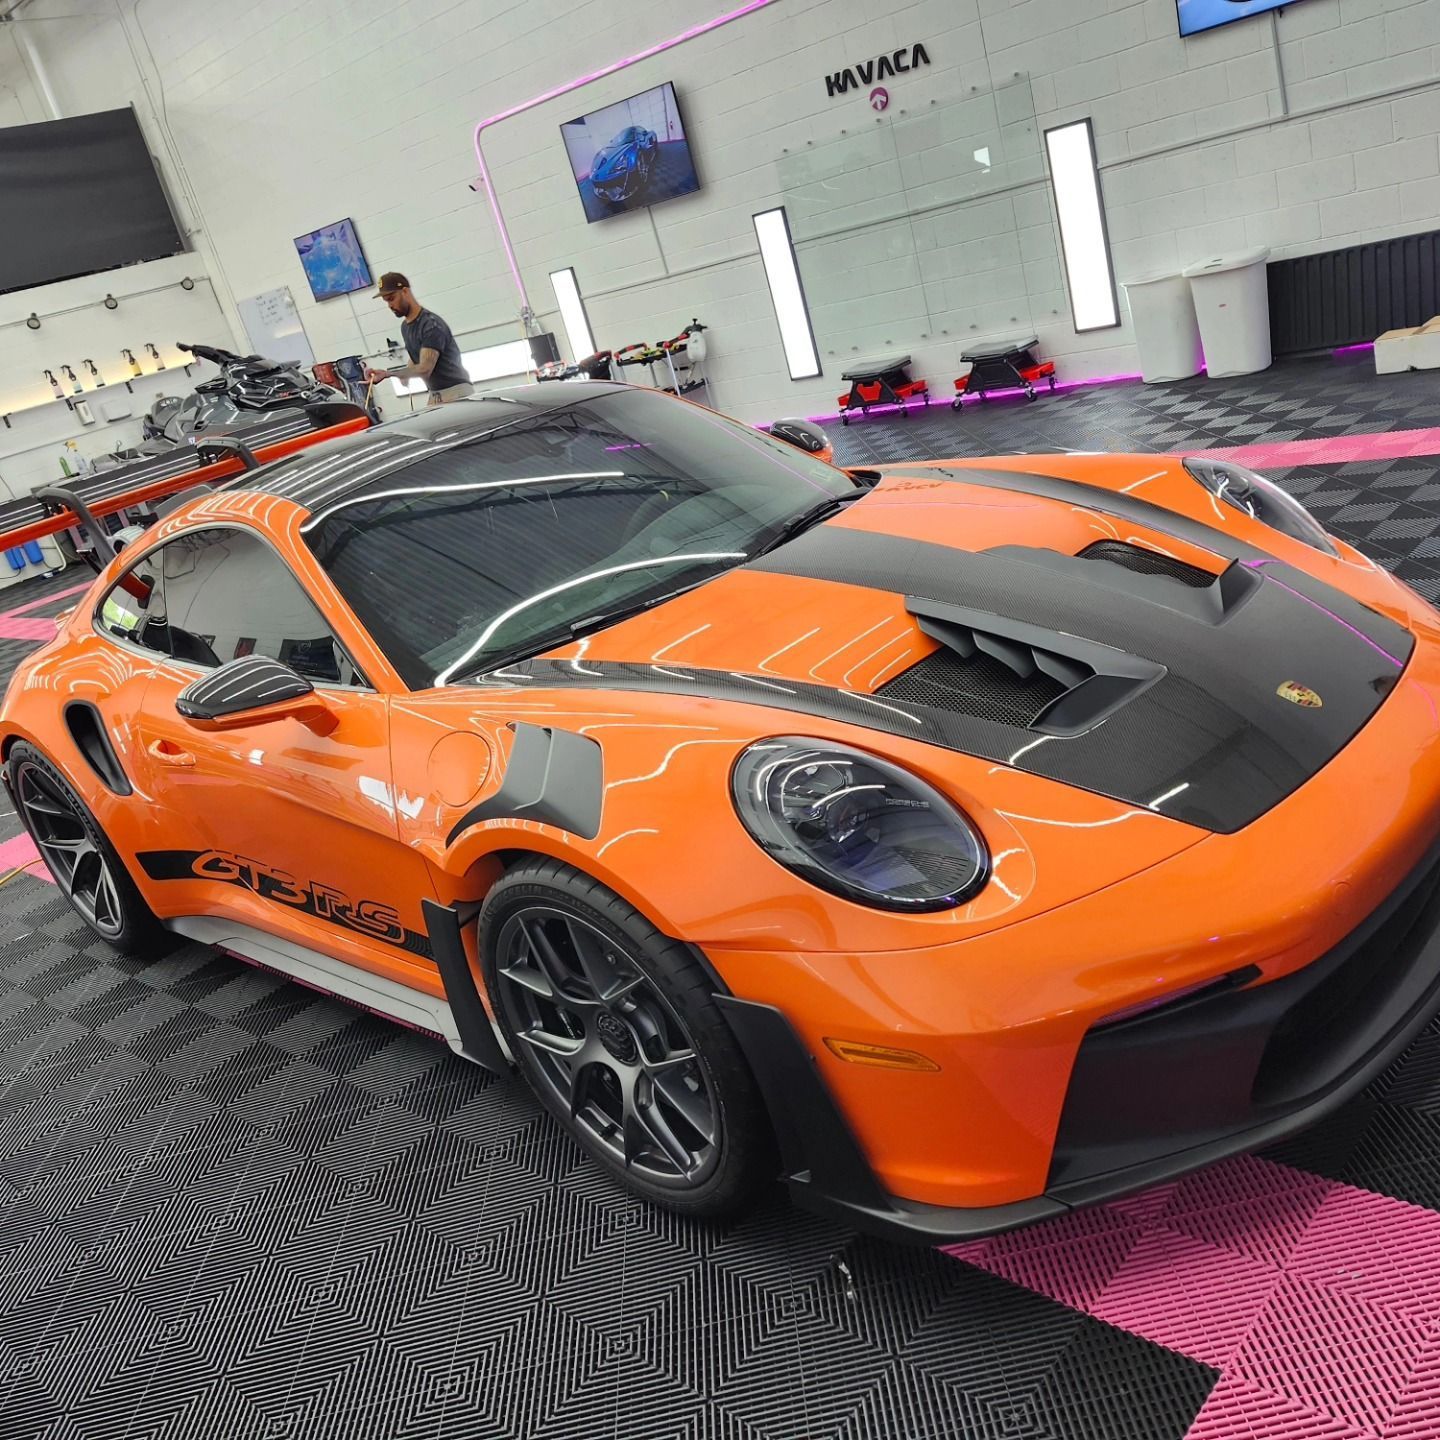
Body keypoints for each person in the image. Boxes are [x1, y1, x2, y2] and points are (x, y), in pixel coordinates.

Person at [365, 273, 474, 405]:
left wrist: (389, 374)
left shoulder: (430, 325)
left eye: (392, 298)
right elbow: (416, 355)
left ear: (405, 291)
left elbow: (425, 369)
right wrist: (404, 375)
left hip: (456, 391)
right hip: (436, 394)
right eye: (386, 301)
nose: (390, 305)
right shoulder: (406, 327)